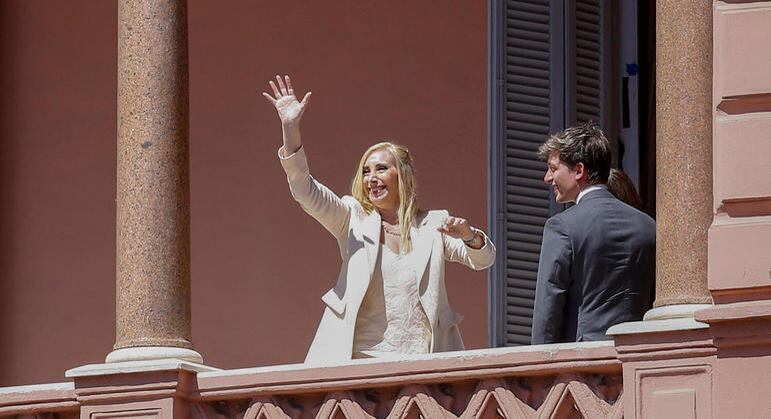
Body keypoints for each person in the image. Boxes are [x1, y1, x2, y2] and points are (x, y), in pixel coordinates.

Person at [262, 75, 496, 363]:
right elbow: (304, 189)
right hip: (360, 359)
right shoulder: (351, 216)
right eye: (366, 171)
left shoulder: (433, 224)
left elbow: (482, 260)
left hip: (423, 360)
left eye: (381, 169)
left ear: (402, 175)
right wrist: (290, 129)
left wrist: (469, 235)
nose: (371, 178)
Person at [531, 122, 655, 344]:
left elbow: (548, 311)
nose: (547, 178)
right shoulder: (647, 225)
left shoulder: (561, 226)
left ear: (579, 170)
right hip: (638, 357)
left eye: (553, 168)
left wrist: (538, 369)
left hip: (585, 363)